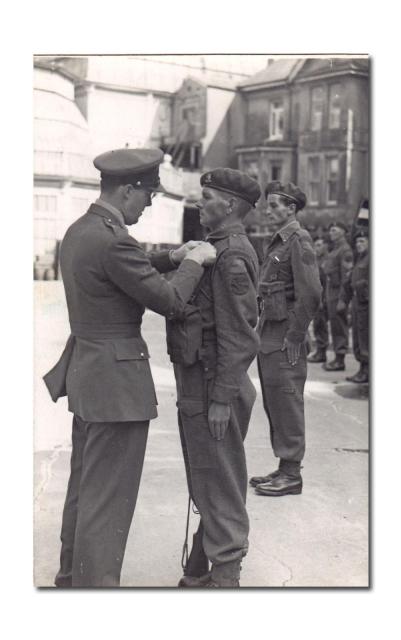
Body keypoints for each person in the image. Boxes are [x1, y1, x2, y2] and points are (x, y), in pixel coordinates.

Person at [43, 148, 216, 588]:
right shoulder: (115, 239)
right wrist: (195, 262)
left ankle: (73, 579)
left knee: (85, 493)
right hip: (117, 386)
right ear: (127, 191)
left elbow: (124, 270)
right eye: (148, 197)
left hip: (89, 376)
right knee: (110, 501)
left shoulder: (82, 230)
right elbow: (171, 302)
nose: (149, 204)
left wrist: (170, 259)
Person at [168, 168, 261, 588]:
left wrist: (222, 397)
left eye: (207, 197)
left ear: (231, 205)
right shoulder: (213, 248)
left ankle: (226, 577)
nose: (199, 203)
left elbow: (241, 334)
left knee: (218, 480)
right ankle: (203, 565)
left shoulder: (231, 255)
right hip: (201, 382)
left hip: (213, 385)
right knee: (210, 476)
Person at [249, 181, 321, 497]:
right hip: (270, 333)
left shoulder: (298, 240)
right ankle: (284, 467)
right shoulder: (279, 242)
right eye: (269, 204)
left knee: (287, 401)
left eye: (276, 205)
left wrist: (295, 335)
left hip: (285, 337)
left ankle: (292, 473)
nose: (269, 209)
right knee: (276, 401)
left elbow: (311, 293)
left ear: (291, 208)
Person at [322, 222, 354, 371]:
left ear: (343, 231)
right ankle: (337, 357)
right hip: (331, 293)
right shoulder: (335, 249)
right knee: (334, 326)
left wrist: (343, 299)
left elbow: (346, 278)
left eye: (334, 230)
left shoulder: (345, 251)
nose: (331, 233)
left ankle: (340, 359)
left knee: (339, 326)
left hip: (338, 294)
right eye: (330, 230)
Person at [340, 229, 369, 383]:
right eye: (357, 241)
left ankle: (367, 370)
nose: (359, 244)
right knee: (358, 335)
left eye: (362, 241)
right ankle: (362, 368)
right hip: (358, 303)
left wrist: (361, 286)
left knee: (365, 337)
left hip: (367, 303)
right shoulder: (360, 259)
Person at [307, 237, 329, 363]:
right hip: (317, 297)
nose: (317, 248)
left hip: (324, 297)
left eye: (320, 245)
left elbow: (325, 282)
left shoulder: (327, 260)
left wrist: (322, 299)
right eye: (315, 245)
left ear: (325, 246)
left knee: (321, 324)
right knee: (317, 324)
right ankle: (320, 351)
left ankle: (322, 351)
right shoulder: (317, 260)